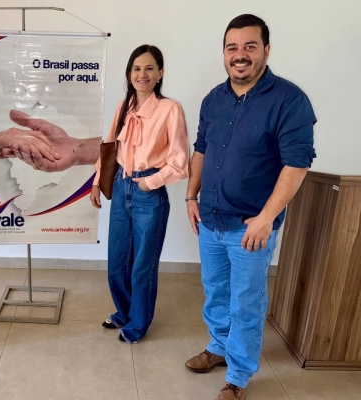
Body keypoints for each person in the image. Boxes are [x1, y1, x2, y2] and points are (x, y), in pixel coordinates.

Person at [184, 14, 316, 400]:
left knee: (246, 302)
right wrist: (191, 196)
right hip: (210, 219)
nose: (240, 55)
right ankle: (218, 348)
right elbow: (201, 149)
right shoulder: (213, 99)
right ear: (224, 53)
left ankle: (238, 376)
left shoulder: (289, 100)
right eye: (232, 48)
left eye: (249, 46)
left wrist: (267, 217)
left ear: (266, 50)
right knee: (216, 292)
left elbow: (297, 164)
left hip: (250, 227)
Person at [90, 44, 190, 344]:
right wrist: (97, 181)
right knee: (117, 260)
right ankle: (123, 312)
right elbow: (109, 148)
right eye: (136, 68)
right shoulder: (124, 107)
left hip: (149, 193)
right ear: (129, 74)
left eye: (149, 68)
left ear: (160, 73)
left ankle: (138, 324)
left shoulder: (170, 109)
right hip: (121, 186)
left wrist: (151, 182)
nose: (142, 74)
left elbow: (180, 162)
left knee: (143, 265)